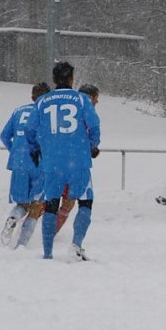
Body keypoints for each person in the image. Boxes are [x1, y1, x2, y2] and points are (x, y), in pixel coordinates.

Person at [26, 62, 101, 261]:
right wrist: (91, 146)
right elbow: (94, 127)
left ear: (53, 79)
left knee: (51, 204)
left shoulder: (42, 101)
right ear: (71, 79)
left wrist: (36, 150)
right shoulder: (82, 99)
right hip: (78, 160)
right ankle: (76, 245)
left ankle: (48, 253)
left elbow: (30, 130)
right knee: (85, 202)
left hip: (52, 161)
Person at [0, 82, 51, 248]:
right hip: (39, 163)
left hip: (19, 162)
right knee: (36, 205)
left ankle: (13, 218)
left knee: (21, 204)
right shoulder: (48, 114)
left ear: (32, 96)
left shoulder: (18, 111)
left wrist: (15, 150)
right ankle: (21, 244)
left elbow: (4, 136)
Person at [55, 83, 99, 233]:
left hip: (54, 159)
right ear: (91, 97)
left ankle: (25, 223)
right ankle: (50, 233)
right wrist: (92, 148)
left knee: (46, 199)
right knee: (70, 201)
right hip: (75, 162)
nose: (97, 101)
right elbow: (93, 133)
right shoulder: (88, 110)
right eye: (96, 98)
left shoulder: (63, 107)